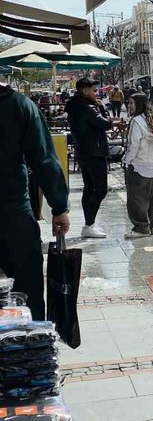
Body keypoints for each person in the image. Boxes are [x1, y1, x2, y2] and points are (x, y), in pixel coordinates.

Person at [0, 79, 70, 320]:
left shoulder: (20, 105)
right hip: (12, 212)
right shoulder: (20, 106)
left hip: (14, 209)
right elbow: (44, 159)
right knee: (27, 291)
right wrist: (58, 206)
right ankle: (32, 344)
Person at [66, 77, 113, 238]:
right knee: (100, 189)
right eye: (94, 90)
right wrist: (103, 108)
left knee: (89, 187)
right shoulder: (87, 108)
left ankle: (89, 223)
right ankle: (89, 223)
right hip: (94, 152)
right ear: (85, 91)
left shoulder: (75, 106)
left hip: (84, 152)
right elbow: (106, 124)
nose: (96, 93)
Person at [122, 93, 153, 238]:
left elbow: (134, 145)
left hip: (139, 165)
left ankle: (141, 227)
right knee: (151, 200)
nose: (129, 106)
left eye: (132, 103)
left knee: (137, 199)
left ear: (138, 104)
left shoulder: (136, 121)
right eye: (128, 103)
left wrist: (127, 161)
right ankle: (151, 225)